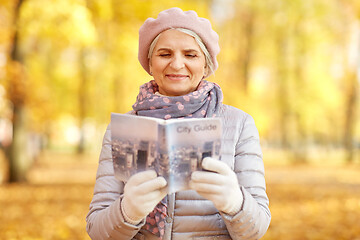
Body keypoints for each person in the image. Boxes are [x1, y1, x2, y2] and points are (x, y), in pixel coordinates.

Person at [86, 7, 271, 240]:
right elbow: (97, 230)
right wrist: (127, 211)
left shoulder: (239, 124)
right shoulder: (121, 129)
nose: (176, 64)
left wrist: (235, 202)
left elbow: (257, 230)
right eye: (164, 54)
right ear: (150, 64)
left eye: (190, 55)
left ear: (206, 65)